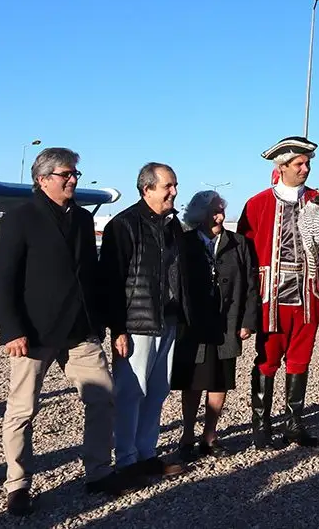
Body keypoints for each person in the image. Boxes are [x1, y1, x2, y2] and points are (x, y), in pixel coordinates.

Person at [0, 147, 136, 516]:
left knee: (103, 399)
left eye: (75, 175)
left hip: (81, 331)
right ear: (42, 179)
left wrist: (109, 323)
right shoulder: (19, 219)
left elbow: (94, 276)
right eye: (66, 174)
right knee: (23, 410)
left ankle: (98, 471)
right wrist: (11, 331)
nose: (73, 180)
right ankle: (18, 484)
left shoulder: (84, 220)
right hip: (34, 334)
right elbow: (3, 279)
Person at [236, 135, 319, 449]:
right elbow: (245, 249)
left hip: (306, 292)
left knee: (300, 359)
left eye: (308, 163)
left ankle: (295, 424)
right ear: (282, 166)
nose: (306, 168)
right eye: (299, 163)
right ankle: (261, 426)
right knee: (267, 359)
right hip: (271, 294)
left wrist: (317, 252)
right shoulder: (257, 204)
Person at [100, 162, 190, 479]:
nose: (174, 192)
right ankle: (126, 461)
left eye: (175, 185)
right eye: (168, 186)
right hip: (137, 324)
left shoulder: (172, 226)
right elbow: (111, 281)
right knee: (131, 391)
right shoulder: (123, 226)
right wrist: (118, 328)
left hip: (168, 321)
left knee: (157, 390)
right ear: (147, 189)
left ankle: (147, 453)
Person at [171, 190, 258, 462]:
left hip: (226, 323)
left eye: (221, 209)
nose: (219, 215)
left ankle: (210, 435)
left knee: (220, 380)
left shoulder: (238, 243)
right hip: (193, 324)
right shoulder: (183, 243)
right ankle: (186, 435)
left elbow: (252, 285)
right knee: (192, 381)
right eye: (213, 210)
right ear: (199, 214)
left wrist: (247, 321)